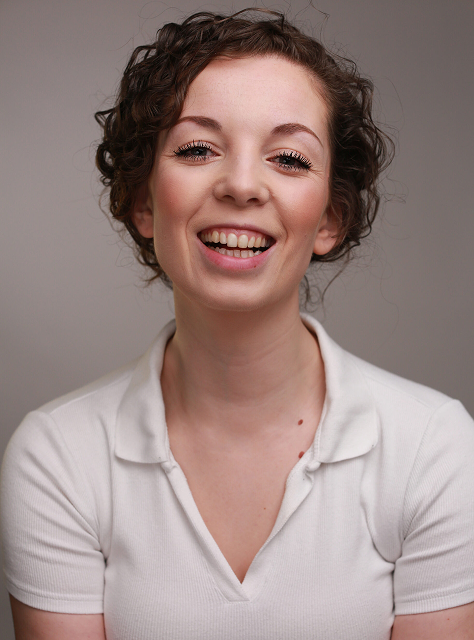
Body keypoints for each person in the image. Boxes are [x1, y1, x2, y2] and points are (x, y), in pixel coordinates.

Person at [1, 9, 473, 640]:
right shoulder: (58, 457)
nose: (243, 185)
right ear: (142, 201)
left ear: (331, 218)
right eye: (198, 149)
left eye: (289, 158)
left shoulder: (434, 451)